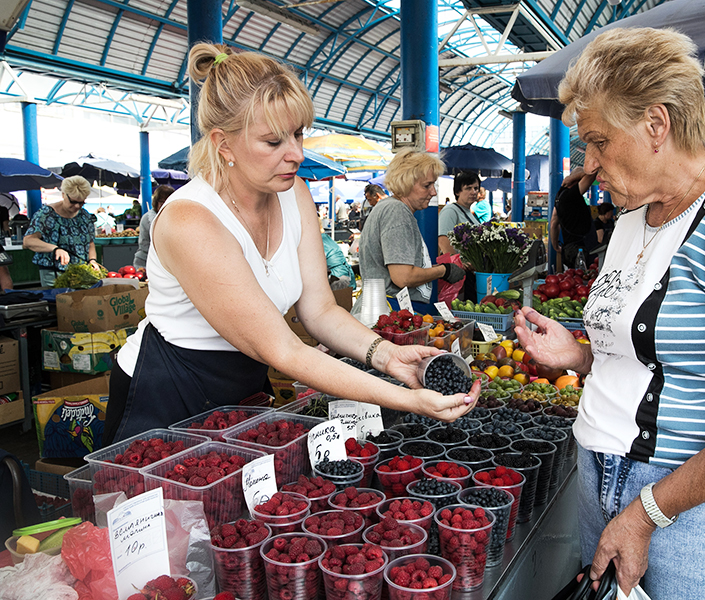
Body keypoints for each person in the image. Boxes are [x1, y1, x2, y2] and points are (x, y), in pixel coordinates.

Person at [515, 28, 705, 599]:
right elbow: (651, 358)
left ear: (657, 124)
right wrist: (579, 356)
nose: (588, 164)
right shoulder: (632, 218)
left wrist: (648, 512)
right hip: (602, 481)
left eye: (599, 141)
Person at [103, 44, 478, 445]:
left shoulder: (294, 194)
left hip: (243, 387)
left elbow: (318, 311)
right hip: (167, 392)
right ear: (223, 144)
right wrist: (406, 397)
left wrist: (387, 355)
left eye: (298, 134)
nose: (296, 154)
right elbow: (283, 350)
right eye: (272, 142)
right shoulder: (190, 220)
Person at [355, 149, 465, 314]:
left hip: (378, 308)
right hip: (386, 311)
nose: (433, 192)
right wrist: (444, 270)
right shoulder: (397, 212)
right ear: (405, 183)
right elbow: (403, 277)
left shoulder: (388, 207)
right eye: (427, 185)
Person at [23, 175, 101, 287]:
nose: (77, 206)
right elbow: (28, 241)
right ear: (64, 194)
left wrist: (92, 260)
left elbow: (90, 243)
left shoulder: (85, 216)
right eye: (73, 202)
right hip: (54, 273)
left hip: (82, 273)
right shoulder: (46, 214)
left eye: (81, 202)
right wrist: (55, 249)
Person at [549, 167, 599, 268]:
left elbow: (554, 223)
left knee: (571, 278)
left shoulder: (559, 196)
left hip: (568, 249)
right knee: (585, 278)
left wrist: (555, 245)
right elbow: (592, 175)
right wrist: (573, 177)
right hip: (583, 249)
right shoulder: (573, 194)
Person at [437, 171, 481, 256]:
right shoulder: (450, 211)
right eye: (468, 188)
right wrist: (458, 264)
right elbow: (443, 240)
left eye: (476, 188)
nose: (473, 192)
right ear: (457, 192)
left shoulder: (469, 213)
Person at [134, 184, 175, 269]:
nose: (165, 204)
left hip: (163, 264)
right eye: (161, 201)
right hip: (146, 263)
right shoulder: (149, 219)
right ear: (156, 202)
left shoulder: (172, 216)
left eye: (168, 200)